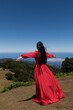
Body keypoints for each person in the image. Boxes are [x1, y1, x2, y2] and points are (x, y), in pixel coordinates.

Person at [16, 41, 65, 105]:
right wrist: (53, 56)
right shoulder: (44, 53)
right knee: (49, 81)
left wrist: (21, 56)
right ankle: (53, 94)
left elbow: (28, 55)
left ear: (37, 47)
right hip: (45, 68)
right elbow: (50, 55)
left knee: (41, 83)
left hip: (38, 69)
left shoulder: (36, 53)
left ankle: (44, 96)